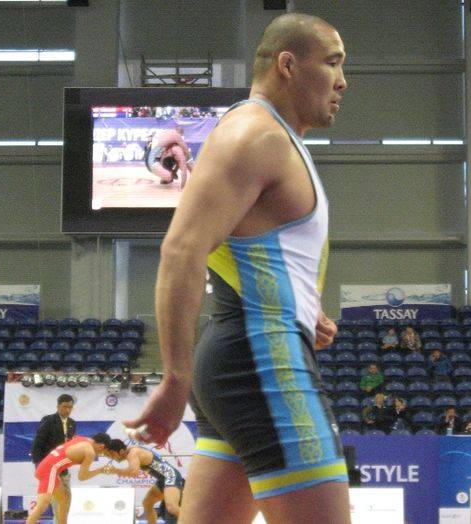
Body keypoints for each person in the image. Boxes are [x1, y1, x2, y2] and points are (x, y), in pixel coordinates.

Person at [122, 12, 349, 524]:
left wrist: (303, 310)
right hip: (263, 363)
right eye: (332, 63)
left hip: (248, 354)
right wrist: (174, 378)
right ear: (288, 65)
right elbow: (181, 250)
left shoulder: (274, 139)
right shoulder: (255, 135)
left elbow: (244, 251)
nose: (342, 81)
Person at [25, 434, 125, 524]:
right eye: (101, 453)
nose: (100, 454)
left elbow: (72, 447)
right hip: (49, 471)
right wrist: (100, 470)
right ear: (101, 446)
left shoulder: (83, 439)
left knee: (64, 498)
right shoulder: (90, 452)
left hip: (48, 468)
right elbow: (82, 477)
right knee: (42, 505)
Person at [113, 441, 186, 523]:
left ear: (121, 451)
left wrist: (115, 470)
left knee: (172, 508)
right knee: (147, 504)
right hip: (163, 478)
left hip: (170, 475)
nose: (112, 458)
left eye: (112, 454)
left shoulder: (133, 453)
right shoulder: (132, 450)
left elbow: (134, 472)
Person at [31, 394, 77, 524]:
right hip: (49, 468)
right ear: (58, 406)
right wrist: (39, 465)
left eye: (70, 407)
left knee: (66, 500)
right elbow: (38, 443)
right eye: (65, 406)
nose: (68, 410)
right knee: (58, 502)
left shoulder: (72, 423)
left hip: (64, 468)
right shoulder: (48, 420)